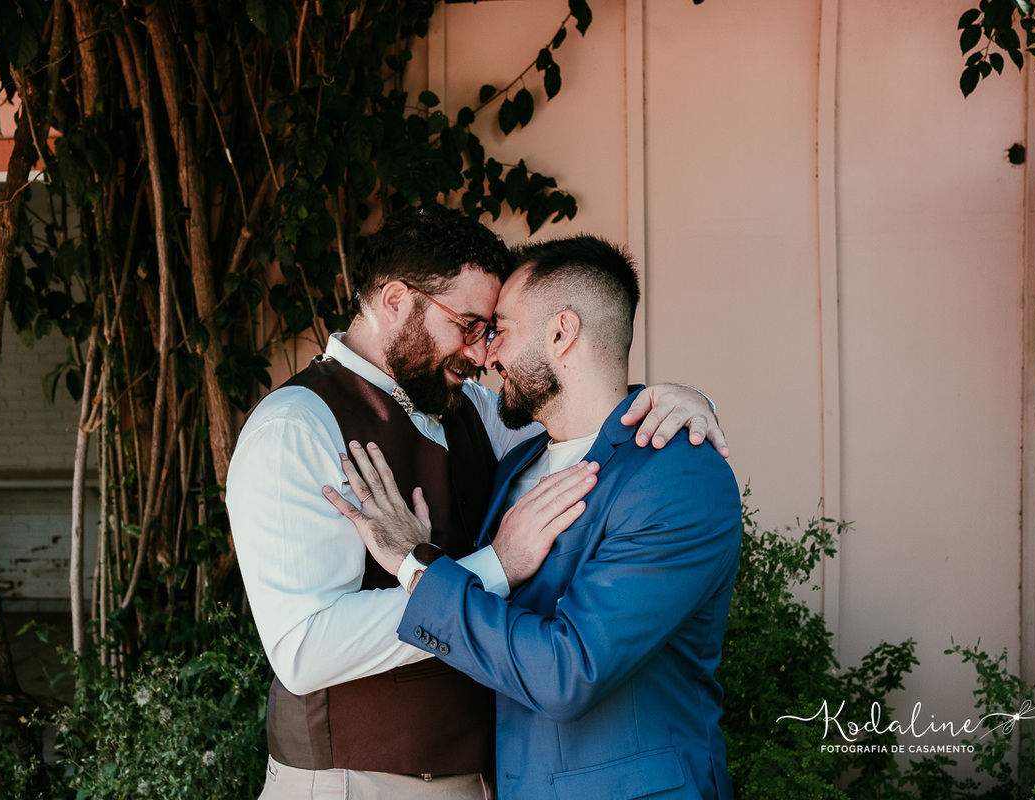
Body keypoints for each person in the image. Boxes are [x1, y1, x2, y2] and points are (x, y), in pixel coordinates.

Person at [227, 205, 728, 800]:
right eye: (468, 324)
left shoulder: (478, 414)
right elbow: (304, 651)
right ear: (395, 302)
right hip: (359, 783)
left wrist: (681, 401)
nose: (480, 353)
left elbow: (588, 416)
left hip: (492, 779)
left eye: (491, 329)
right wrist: (495, 564)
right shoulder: (295, 427)